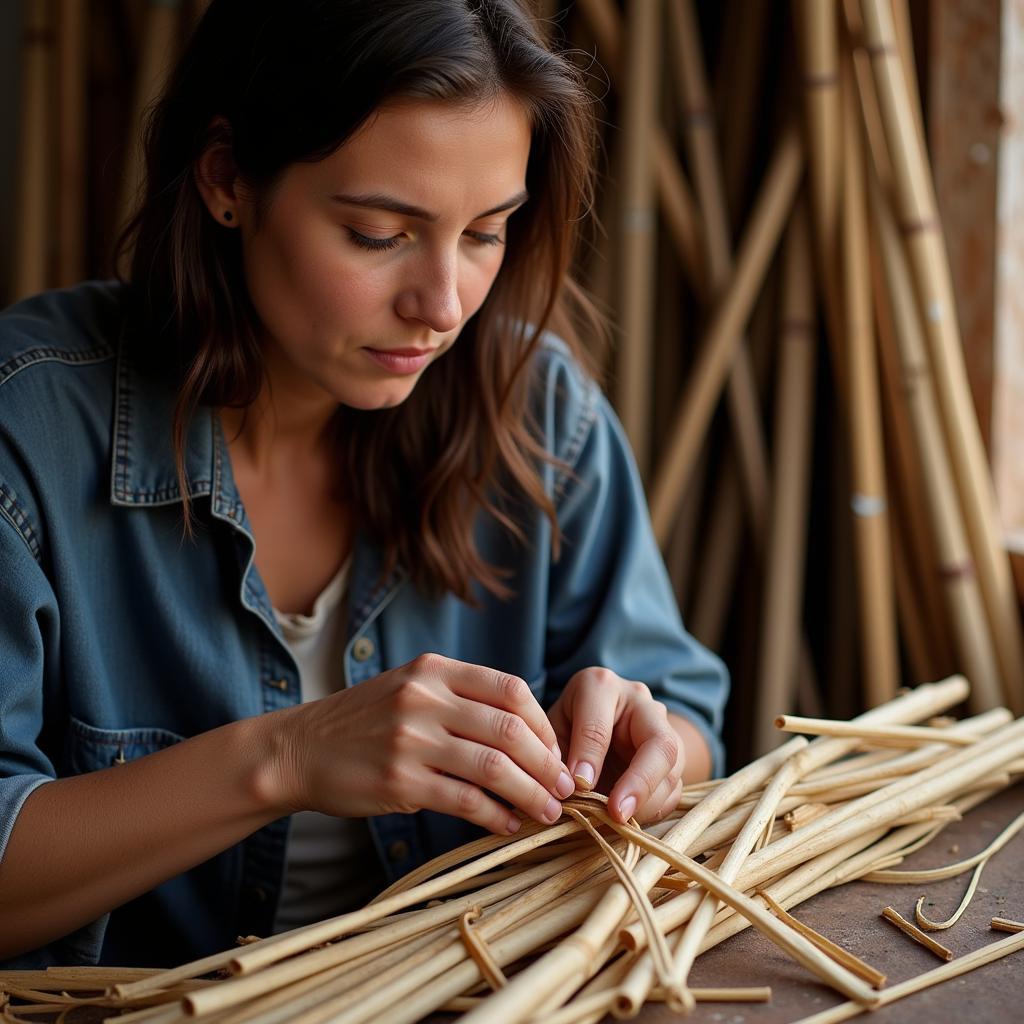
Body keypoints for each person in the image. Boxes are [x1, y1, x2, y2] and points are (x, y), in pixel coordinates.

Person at [0, 0, 727, 968]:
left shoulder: (539, 410)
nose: (443, 305)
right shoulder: (26, 434)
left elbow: (689, 721)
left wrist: (644, 744)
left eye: (485, 233)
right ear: (227, 179)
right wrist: (293, 754)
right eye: (380, 233)